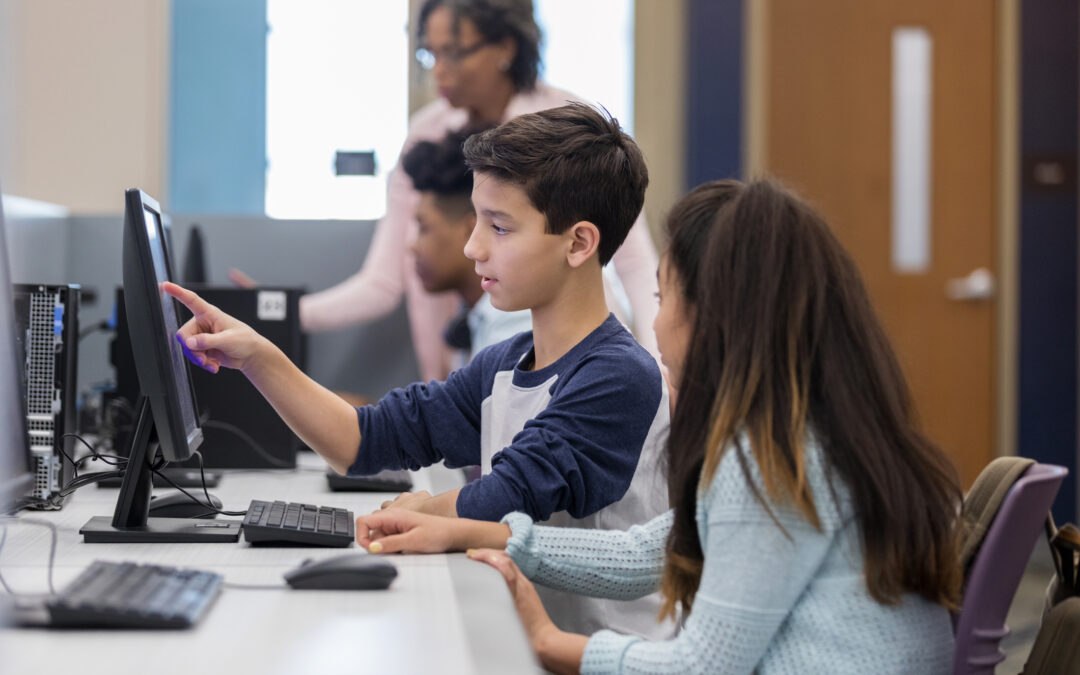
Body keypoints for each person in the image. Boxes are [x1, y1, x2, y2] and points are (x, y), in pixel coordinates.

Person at [354, 178, 964, 673]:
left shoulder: (772, 465)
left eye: (666, 298)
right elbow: (651, 550)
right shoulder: (810, 438)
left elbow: (702, 668)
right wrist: (482, 537)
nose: (659, 324)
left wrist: (546, 641)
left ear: (723, 322)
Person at [166, 104, 671, 639]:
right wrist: (258, 357)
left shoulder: (619, 375)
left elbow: (507, 497)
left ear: (579, 243)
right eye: (477, 220)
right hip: (530, 645)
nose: (473, 246)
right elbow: (361, 441)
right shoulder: (504, 364)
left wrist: (425, 507)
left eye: (499, 227)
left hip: (602, 656)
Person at [272, 0, 661, 382]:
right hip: (464, 356)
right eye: (431, 54)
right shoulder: (426, 133)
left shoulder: (566, 124)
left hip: (561, 347)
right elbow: (383, 281)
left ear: (505, 47)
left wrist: (657, 374)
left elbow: (634, 262)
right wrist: (280, 314)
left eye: (455, 53)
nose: (440, 71)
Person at [400, 126, 531, 365]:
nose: (413, 246)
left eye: (423, 227)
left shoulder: (514, 327)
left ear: (471, 230)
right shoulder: (475, 316)